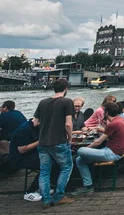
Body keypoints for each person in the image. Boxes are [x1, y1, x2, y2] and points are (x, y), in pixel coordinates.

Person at [33, 78, 75, 208]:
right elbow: (68, 123)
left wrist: (48, 122)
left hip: (43, 142)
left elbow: (35, 122)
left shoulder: (43, 102)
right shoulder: (67, 102)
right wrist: (70, 137)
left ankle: (45, 200)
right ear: (66, 88)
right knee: (66, 167)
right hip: (59, 141)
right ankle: (58, 196)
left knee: (44, 171)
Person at [71, 102, 124, 196]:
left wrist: (86, 150)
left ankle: (82, 182)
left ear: (106, 113)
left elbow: (98, 142)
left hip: (112, 153)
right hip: (115, 150)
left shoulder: (113, 124)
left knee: (80, 151)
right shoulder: (119, 119)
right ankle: (88, 186)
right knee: (79, 160)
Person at [9, 119, 58, 202]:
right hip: (20, 158)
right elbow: (22, 149)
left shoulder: (38, 128)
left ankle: (45, 186)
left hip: (33, 154)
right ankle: (30, 191)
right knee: (46, 164)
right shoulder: (24, 130)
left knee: (57, 161)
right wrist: (40, 141)